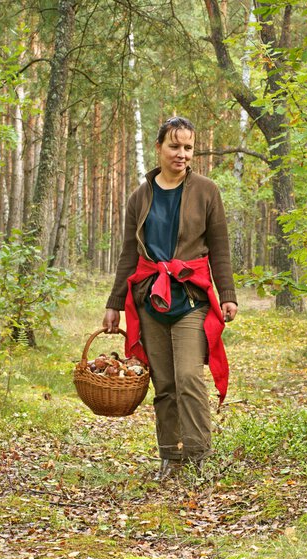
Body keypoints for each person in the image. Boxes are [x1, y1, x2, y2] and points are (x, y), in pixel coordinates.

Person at [103, 116, 237, 480]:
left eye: (188, 147)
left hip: (190, 296)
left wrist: (227, 294)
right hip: (150, 298)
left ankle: (196, 455)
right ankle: (170, 456)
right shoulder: (140, 196)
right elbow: (129, 253)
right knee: (163, 383)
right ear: (159, 147)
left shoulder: (207, 191)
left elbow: (220, 248)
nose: (182, 154)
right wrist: (115, 303)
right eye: (174, 146)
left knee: (189, 377)